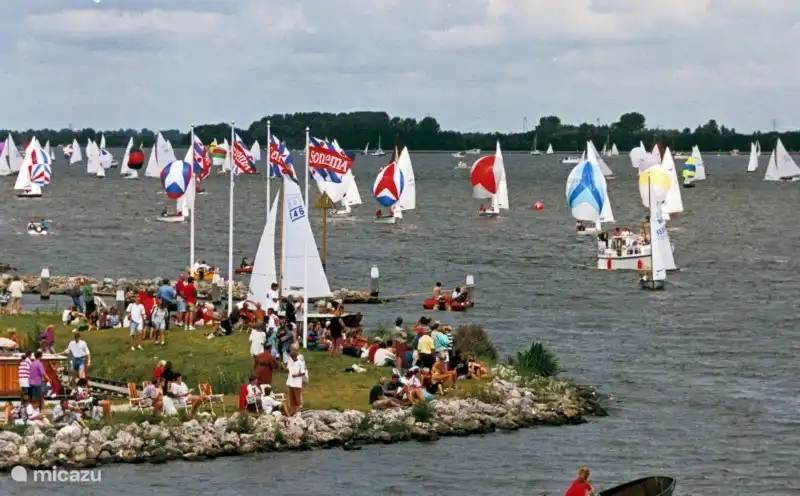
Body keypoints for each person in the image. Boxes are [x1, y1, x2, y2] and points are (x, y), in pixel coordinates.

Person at [285, 344, 307, 416]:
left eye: (293, 349)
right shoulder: (289, 358)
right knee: (291, 396)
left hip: (297, 381)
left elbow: (303, 370)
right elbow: (289, 368)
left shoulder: (300, 358)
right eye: (291, 349)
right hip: (290, 380)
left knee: (297, 395)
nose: (291, 350)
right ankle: (292, 410)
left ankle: (298, 410)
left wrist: (297, 375)